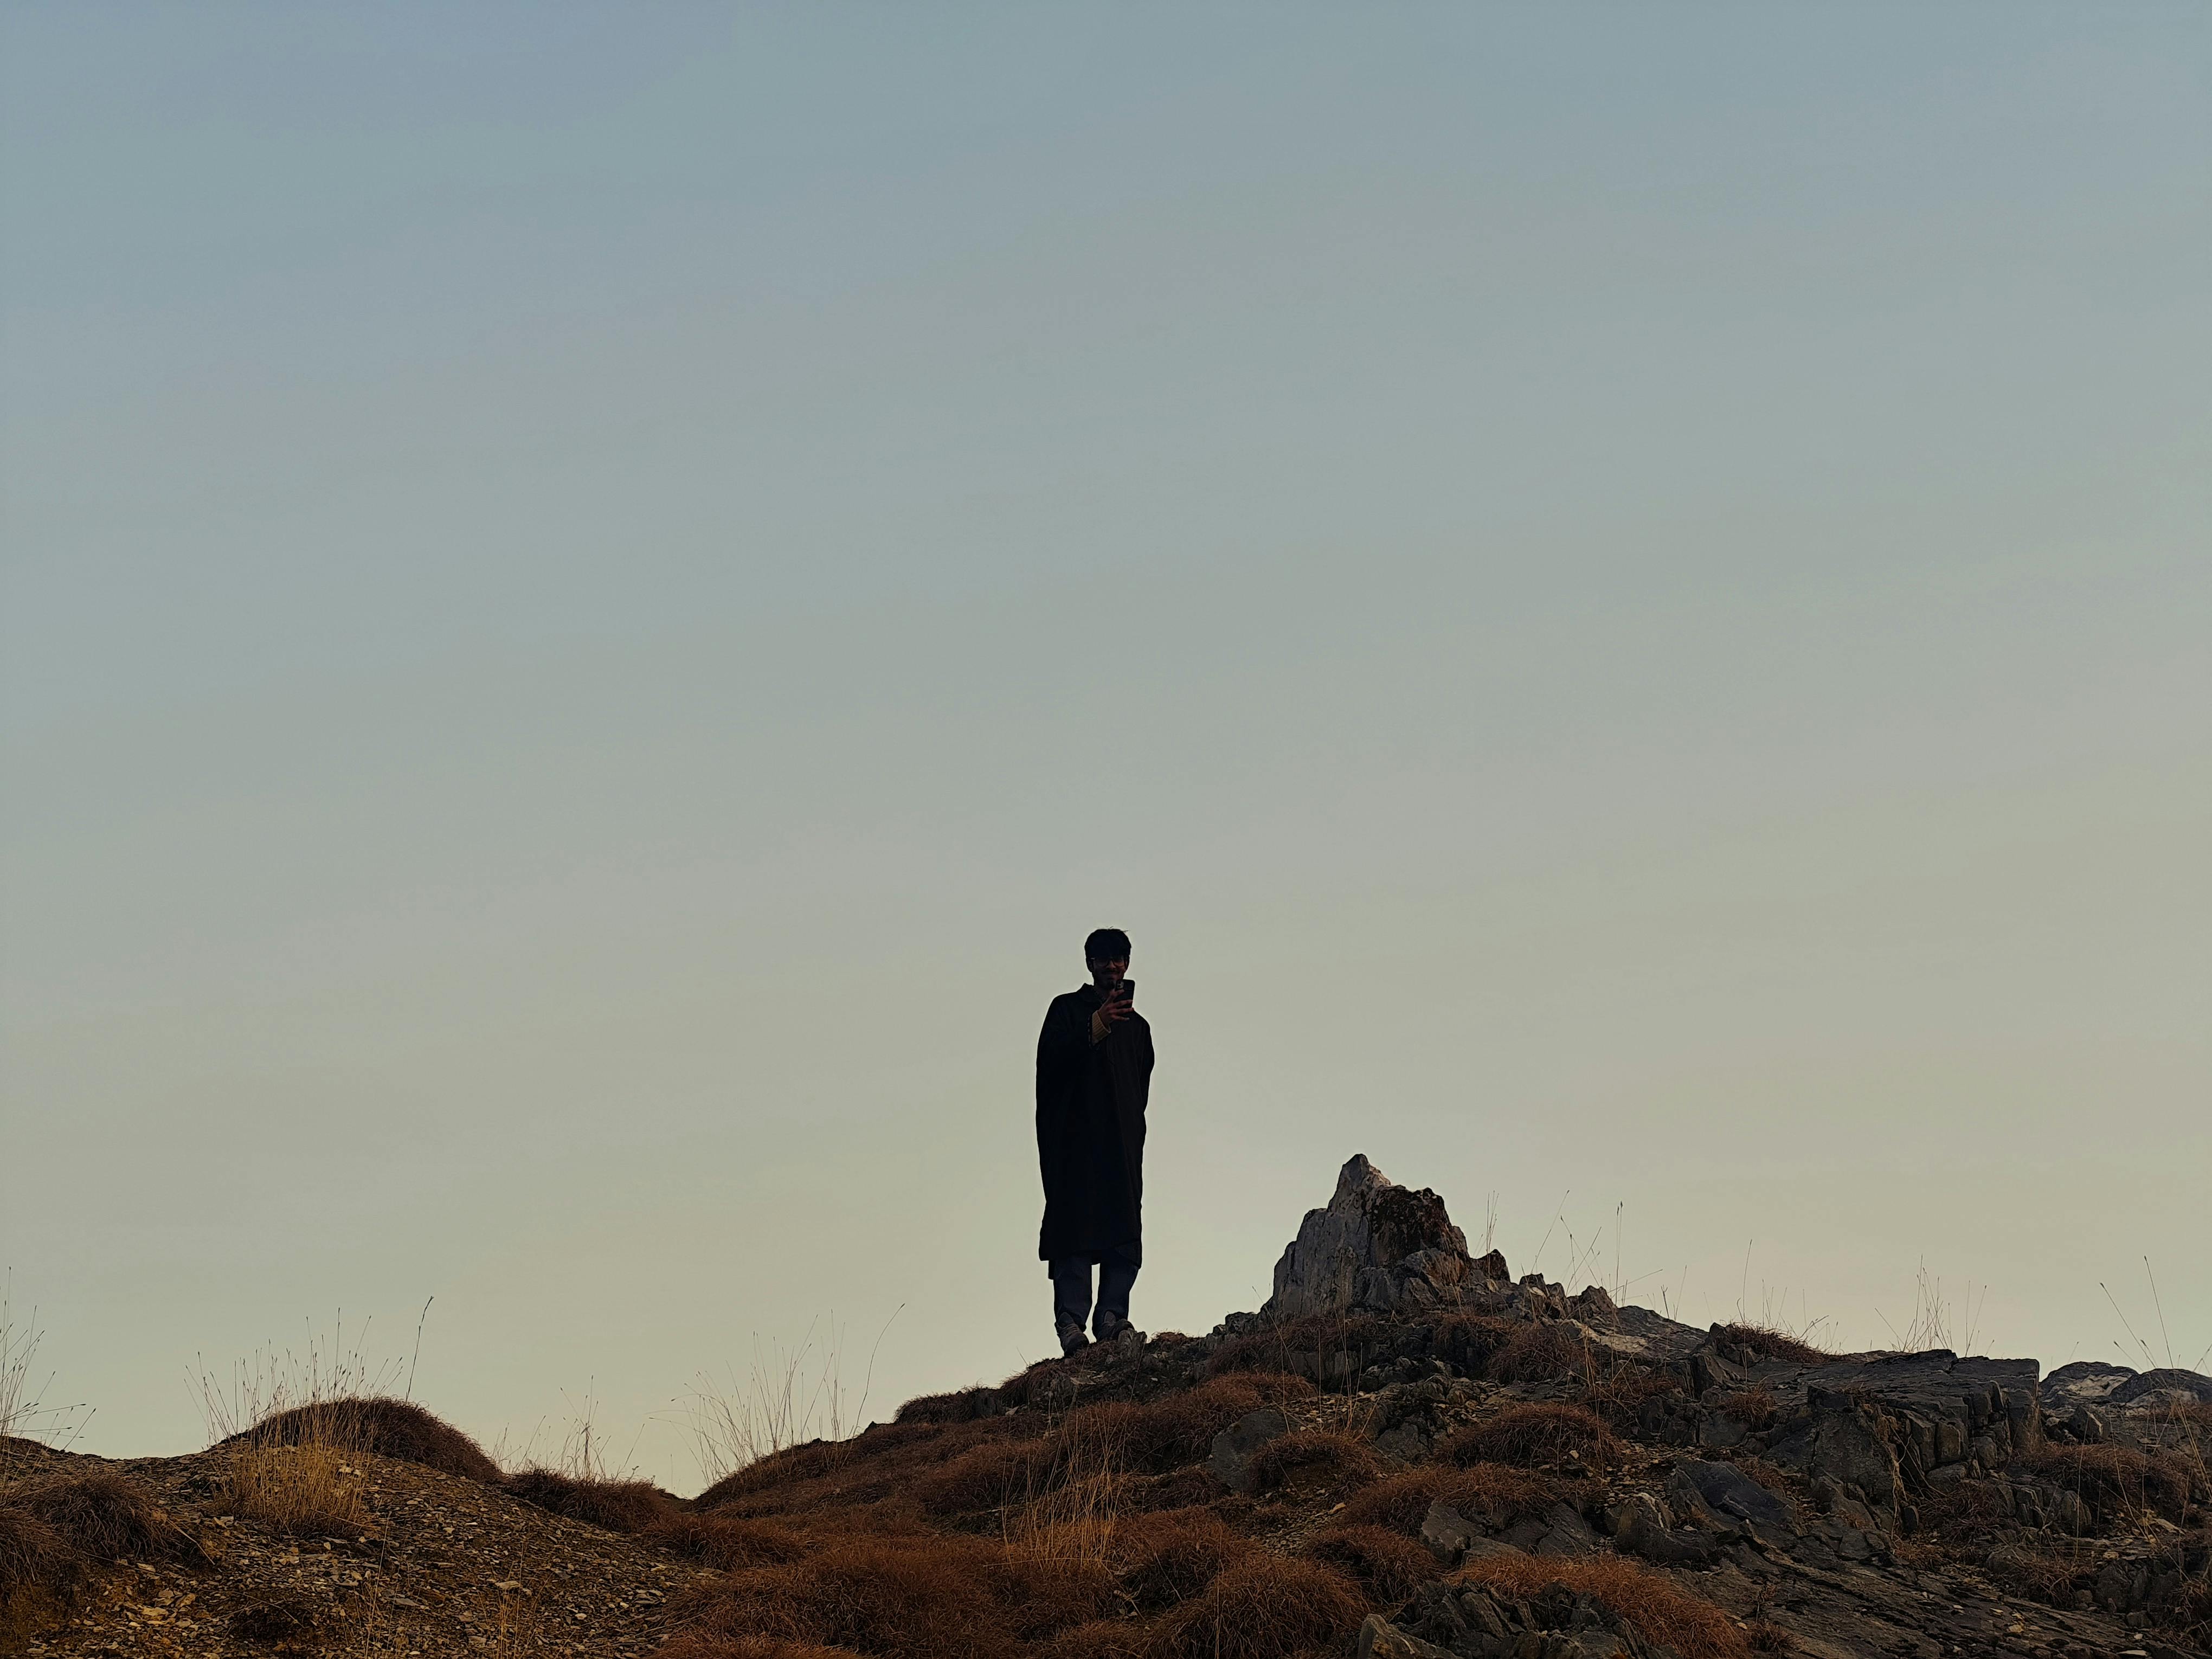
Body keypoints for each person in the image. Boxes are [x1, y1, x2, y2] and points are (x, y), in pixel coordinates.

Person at [1034, 927, 1154, 1355]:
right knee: (1073, 1229)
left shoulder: (1138, 1030)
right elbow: (1051, 1062)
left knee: (1124, 1230)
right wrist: (1097, 1026)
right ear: (1089, 964)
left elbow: (1139, 1092)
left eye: (1119, 958)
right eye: (1103, 959)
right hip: (1073, 1146)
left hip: (1121, 1147)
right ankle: (1071, 1324)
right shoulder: (1066, 1011)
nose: (1112, 966)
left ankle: (1112, 1318)